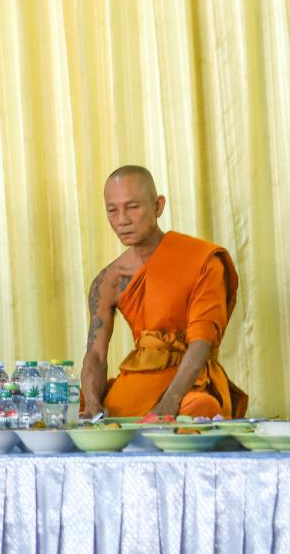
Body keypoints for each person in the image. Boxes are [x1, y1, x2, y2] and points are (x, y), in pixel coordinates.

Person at [81, 166, 246, 419]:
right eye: (112, 210)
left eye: (132, 207)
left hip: (192, 385)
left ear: (158, 206)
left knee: (200, 408)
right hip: (139, 382)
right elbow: (95, 355)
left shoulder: (201, 260)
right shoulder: (109, 281)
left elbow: (201, 342)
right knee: (84, 409)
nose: (122, 220)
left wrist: (169, 402)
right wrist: (93, 402)